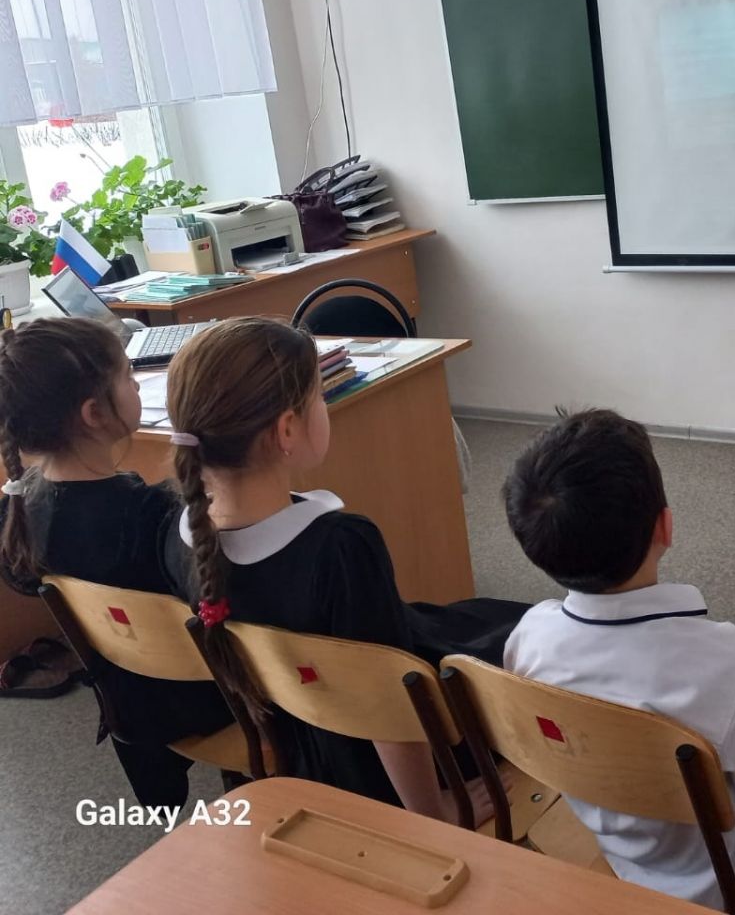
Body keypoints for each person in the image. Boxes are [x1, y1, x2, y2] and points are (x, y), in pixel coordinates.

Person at [159, 315, 526, 821]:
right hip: (383, 765)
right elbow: (388, 704)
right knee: (519, 638)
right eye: (320, 398)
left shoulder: (179, 534)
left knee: (487, 617)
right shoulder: (341, 548)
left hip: (306, 737)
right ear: (287, 430)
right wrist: (435, 809)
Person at [502, 408, 735, 911]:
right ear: (666, 527)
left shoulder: (529, 637)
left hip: (620, 844)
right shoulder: (726, 662)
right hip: (723, 879)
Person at [0, 318, 231, 807]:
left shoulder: (18, 508)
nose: (137, 384)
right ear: (93, 413)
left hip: (131, 702)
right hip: (204, 697)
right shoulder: (150, 515)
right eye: (128, 375)